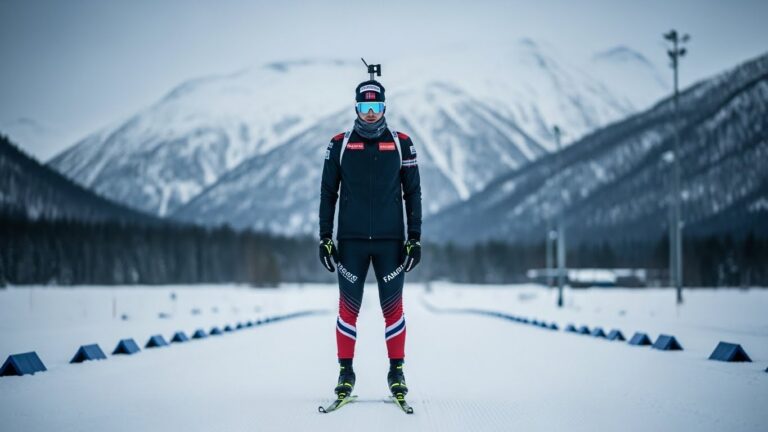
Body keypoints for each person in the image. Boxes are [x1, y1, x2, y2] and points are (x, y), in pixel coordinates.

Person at [318, 78, 422, 403]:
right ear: (356, 108)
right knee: (348, 311)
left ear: (384, 107)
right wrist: (325, 237)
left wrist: (415, 238)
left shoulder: (402, 143)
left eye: (376, 106)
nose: (371, 113)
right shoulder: (339, 144)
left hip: (391, 243)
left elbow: (413, 193)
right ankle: (345, 373)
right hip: (352, 243)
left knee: (394, 311)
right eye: (365, 106)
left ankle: (396, 372)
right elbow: (328, 193)